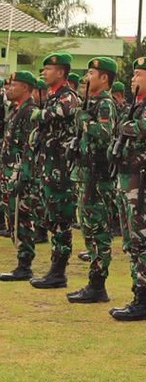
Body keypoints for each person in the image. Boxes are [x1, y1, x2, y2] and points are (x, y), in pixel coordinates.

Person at [110, 57, 146, 322]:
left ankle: (144, 301)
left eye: (138, 75)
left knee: (144, 241)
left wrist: (124, 126)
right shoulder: (136, 105)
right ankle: (136, 295)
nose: (133, 79)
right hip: (127, 180)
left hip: (144, 182)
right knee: (132, 240)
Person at [66, 58, 120, 303]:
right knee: (88, 229)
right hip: (87, 175)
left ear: (104, 78)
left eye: (91, 72)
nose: (86, 77)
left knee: (98, 231)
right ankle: (93, 283)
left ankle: (98, 286)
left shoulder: (105, 103)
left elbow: (104, 134)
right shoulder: (92, 103)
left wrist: (83, 118)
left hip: (99, 178)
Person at [29, 52, 81, 289]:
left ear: (61, 72)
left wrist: (40, 114)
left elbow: (55, 114)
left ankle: (58, 272)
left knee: (61, 220)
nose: (44, 73)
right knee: (52, 219)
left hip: (62, 169)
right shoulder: (51, 97)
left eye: (49, 69)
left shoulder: (68, 97)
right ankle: (54, 268)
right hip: (48, 167)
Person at [0, 71, 42, 281]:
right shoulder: (16, 110)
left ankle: (25, 265)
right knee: (12, 217)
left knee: (22, 217)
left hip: (21, 174)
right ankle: (21, 261)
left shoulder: (30, 112)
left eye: (14, 85)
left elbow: (30, 146)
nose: (9, 89)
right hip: (9, 172)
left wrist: (22, 175)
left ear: (25, 88)